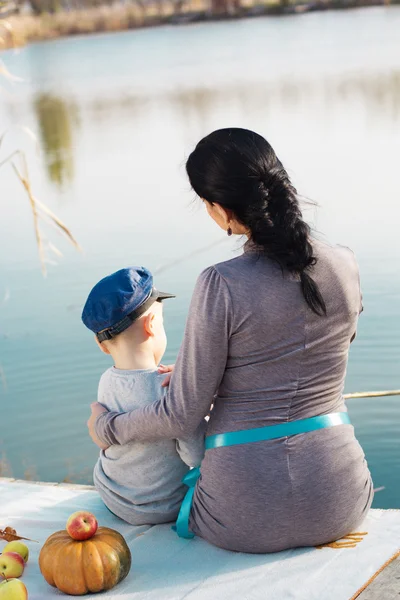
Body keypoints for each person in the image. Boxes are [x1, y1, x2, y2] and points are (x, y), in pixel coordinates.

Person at [87, 128, 373, 553]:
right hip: (342, 502)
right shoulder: (344, 262)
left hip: (240, 517)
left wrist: (108, 427)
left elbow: (181, 417)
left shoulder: (221, 283)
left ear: (220, 210)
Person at [82, 266, 205, 525]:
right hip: (165, 507)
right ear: (151, 326)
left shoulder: (106, 381)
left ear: (101, 345)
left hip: (113, 497)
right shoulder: (169, 388)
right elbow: (195, 456)